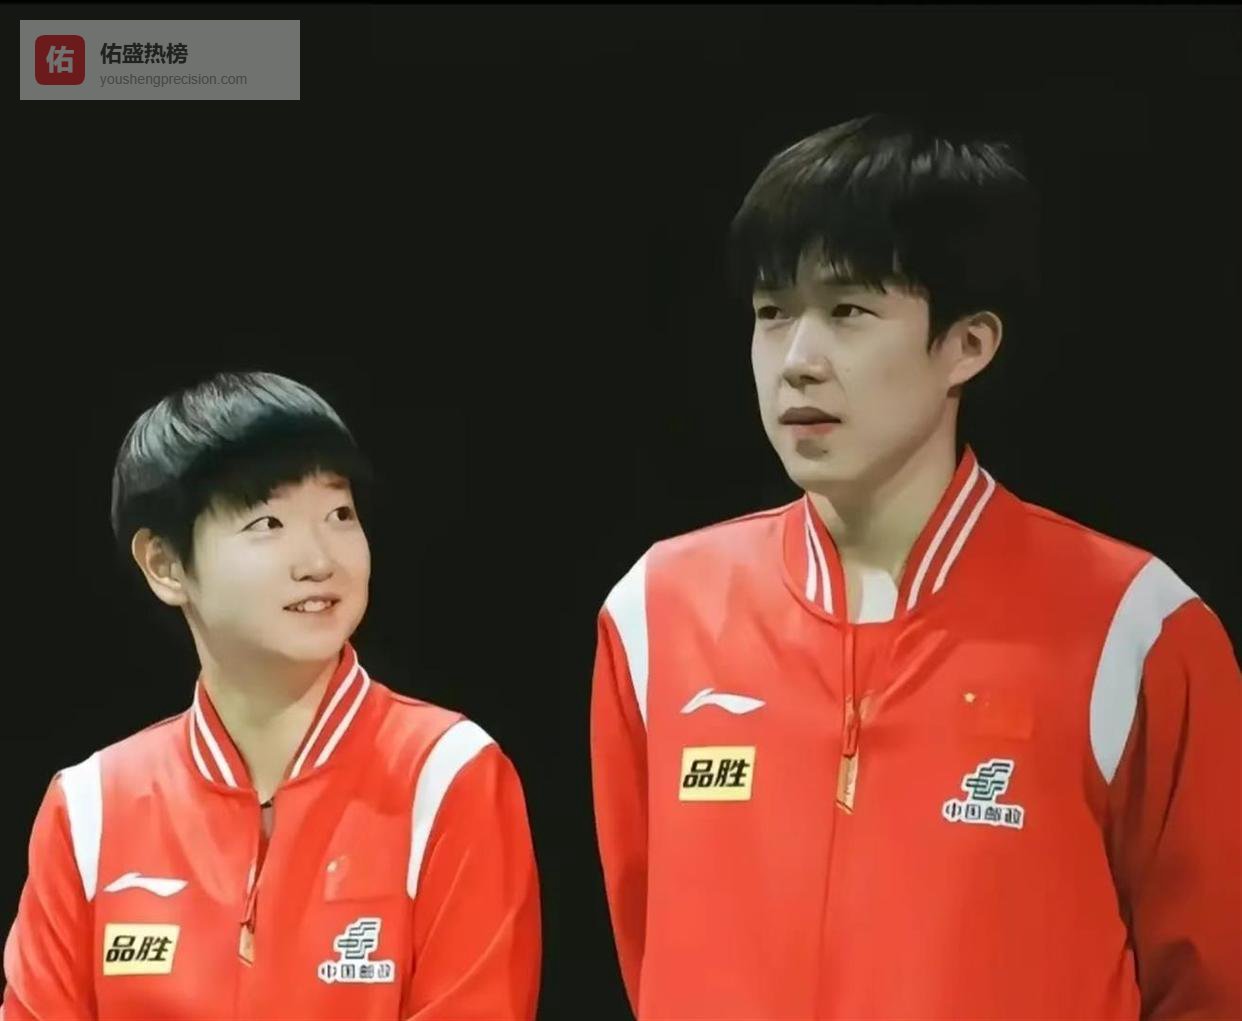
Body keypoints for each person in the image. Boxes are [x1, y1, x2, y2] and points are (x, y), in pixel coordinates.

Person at [589, 114, 1241, 1020]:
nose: (797, 361)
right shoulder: (656, 612)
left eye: (848, 311)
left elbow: (1210, 980)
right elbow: (651, 947)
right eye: (772, 313)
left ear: (967, 345)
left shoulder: (1136, 626)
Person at [3, 371, 541, 1020]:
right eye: (268, 522)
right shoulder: (90, 807)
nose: (319, 560)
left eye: (340, 514)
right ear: (165, 565)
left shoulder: (448, 774)